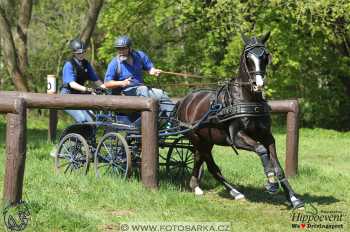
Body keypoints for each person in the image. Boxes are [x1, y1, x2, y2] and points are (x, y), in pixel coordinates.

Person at [104, 35, 174, 118]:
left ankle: (168, 122)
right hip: (124, 93)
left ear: (130, 48)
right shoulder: (114, 63)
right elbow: (107, 83)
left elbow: (150, 68)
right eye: (118, 49)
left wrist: (153, 71)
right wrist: (121, 83)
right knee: (143, 89)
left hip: (141, 89)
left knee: (163, 95)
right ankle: (149, 119)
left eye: (123, 48)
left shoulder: (140, 56)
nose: (121, 51)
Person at [60, 38, 105, 123]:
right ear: (74, 53)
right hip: (67, 97)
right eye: (79, 53)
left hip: (79, 97)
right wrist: (87, 89)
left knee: (91, 120)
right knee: (82, 119)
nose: (81, 54)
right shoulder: (69, 65)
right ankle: (73, 136)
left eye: (83, 52)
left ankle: (85, 136)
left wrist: (105, 89)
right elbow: (72, 84)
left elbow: (96, 80)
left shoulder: (86, 64)